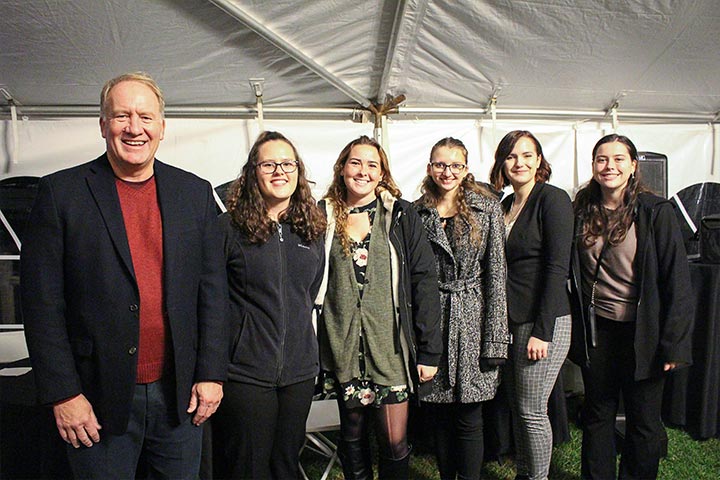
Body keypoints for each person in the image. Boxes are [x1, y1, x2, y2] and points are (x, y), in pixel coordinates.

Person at [20, 72, 228, 479]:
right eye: (122, 116)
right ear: (102, 125)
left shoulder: (194, 193)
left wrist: (210, 373)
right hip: (94, 399)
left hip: (179, 396)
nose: (135, 128)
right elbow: (42, 303)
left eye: (146, 117)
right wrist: (64, 393)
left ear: (162, 127)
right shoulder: (61, 194)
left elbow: (213, 294)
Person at [316, 135, 442, 480]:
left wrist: (429, 351)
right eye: (355, 162)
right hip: (342, 346)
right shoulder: (322, 215)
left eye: (372, 164)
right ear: (342, 169)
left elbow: (424, 280)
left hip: (389, 348)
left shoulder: (400, 215)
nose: (363, 171)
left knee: (394, 441)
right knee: (352, 436)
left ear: (382, 172)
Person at [569, 134, 694, 479]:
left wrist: (675, 344)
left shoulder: (656, 212)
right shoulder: (581, 209)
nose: (609, 166)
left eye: (618, 159)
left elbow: (678, 283)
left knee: (643, 421)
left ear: (633, 166)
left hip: (644, 333)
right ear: (593, 166)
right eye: (602, 159)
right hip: (599, 331)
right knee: (597, 416)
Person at [212, 131, 326, 479]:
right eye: (269, 164)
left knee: (286, 464)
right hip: (246, 373)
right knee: (248, 467)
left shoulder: (313, 229)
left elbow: (311, 291)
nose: (280, 171)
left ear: (298, 171)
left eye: (288, 163)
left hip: (299, 373)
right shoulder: (227, 228)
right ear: (251, 173)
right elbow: (212, 302)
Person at [415, 137, 510, 480]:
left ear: (466, 169)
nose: (447, 172)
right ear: (429, 167)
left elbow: (497, 274)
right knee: (439, 413)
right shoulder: (416, 212)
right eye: (440, 164)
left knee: (470, 415)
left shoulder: (487, 209)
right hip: (433, 318)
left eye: (455, 165)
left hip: (474, 318)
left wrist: (496, 339)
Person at [489, 130, 573, 480]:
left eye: (527, 155)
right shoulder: (505, 206)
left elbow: (557, 267)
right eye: (511, 156)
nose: (519, 163)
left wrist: (543, 331)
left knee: (532, 411)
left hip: (543, 320)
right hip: (512, 321)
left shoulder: (552, 199)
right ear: (502, 163)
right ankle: (526, 474)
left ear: (539, 161)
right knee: (519, 410)